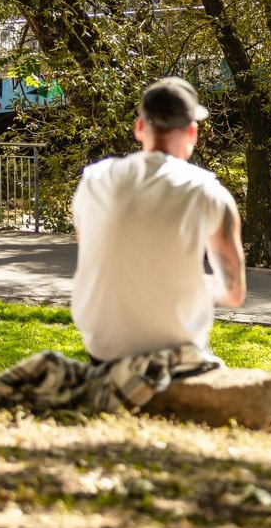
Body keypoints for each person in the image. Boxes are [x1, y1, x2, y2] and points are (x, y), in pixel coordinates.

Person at [70, 77, 246, 363]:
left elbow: (94, 255)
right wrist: (195, 284)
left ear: (140, 127)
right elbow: (233, 294)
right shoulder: (208, 191)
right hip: (173, 353)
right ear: (192, 132)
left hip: (103, 350)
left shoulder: (94, 179)